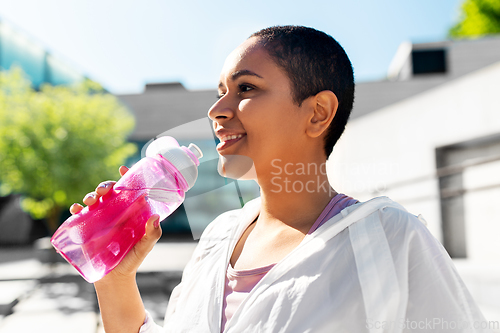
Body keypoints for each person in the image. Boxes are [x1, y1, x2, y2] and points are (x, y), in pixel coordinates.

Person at [71, 26, 490, 332]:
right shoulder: (218, 238)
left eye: (246, 88)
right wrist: (115, 281)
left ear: (317, 113)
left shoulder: (389, 237)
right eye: (220, 91)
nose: (217, 109)